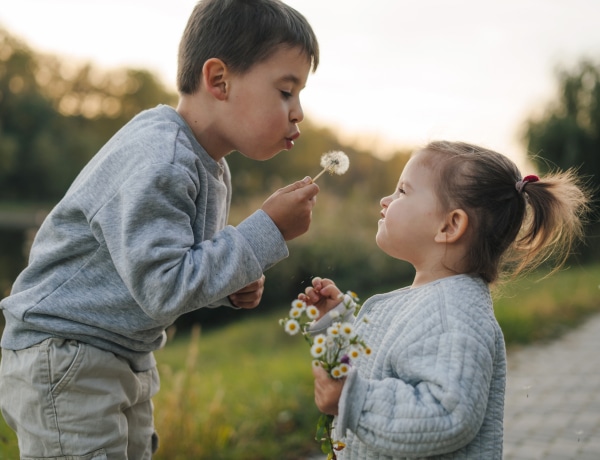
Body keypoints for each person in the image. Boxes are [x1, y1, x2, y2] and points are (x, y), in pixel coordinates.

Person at [0, 0, 320, 458]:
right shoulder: (162, 159)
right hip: (66, 353)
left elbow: (171, 271)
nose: (298, 113)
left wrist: (227, 287)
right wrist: (264, 230)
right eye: (286, 91)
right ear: (219, 81)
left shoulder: (209, 166)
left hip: (116, 353)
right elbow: (164, 287)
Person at [300, 141, 590, 459]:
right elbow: (375, 364)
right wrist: (336, 324)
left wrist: (352, 399)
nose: (385, 201)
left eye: (402, 192)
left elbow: (447, 415)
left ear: (450, 225)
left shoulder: (453, 314)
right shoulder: (429, 302)